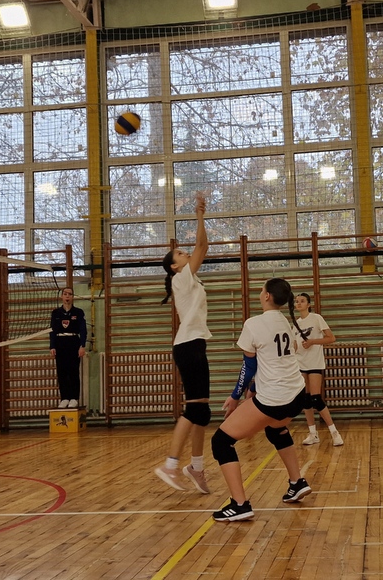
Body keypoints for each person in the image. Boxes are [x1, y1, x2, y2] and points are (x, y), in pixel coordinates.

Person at [211, 278, 313, 521]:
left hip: (275, 398)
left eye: (261, 290)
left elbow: (249, 366)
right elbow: (274, 361)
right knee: (276, 429)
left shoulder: (253, 323)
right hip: (297, 394)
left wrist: (235, 396)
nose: (259, 293)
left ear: (267, 296)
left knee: (221, 442)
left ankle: (239, 505)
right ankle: (297, 482)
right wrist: (255, 388)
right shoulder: (286, 322)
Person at [154, 192, 212, 494]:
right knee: (194, 410)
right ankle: (170, 465)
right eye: (179, 253)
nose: (184, 252)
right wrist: (199, 215)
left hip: (196, 344)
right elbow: (202, 246)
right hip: (188, 347)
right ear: (174, 267)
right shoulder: (181, 279)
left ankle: (196, 467)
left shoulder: (190, 279)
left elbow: (200, 248)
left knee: (203, 412)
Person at [293, 292, 343, 446]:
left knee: (316, 398)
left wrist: (312, 341)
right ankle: (313, 433)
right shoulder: (295, 323)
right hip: (300, 363)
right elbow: (295, 344)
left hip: (314, 362)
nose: (298, 303)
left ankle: (334, 432)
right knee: (305, 400)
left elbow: (331, 338)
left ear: (308, 304)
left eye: (302, 301)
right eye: (296, 301)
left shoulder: (316, 318)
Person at [50, 287, 87, 409]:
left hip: (73, 342)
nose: (67, 296)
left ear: (72, 297)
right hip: (60, 343)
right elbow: (52, 331)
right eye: (65, 294)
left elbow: (83, 330)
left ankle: (74, 398)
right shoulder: (56, 313)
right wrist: (52, 346)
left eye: (69, 294)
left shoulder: (78, 312)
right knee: (62, 372)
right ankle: (64, 398)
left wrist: (82, 345)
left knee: (73, 372)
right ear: (62, 296)